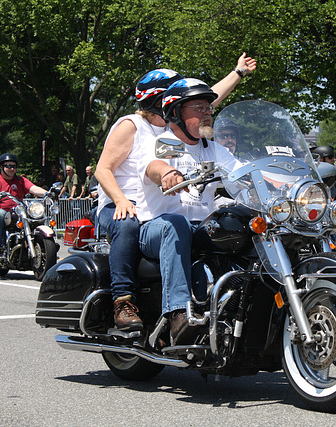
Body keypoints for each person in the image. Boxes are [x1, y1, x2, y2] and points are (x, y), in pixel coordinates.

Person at [95, 53, 256, 332]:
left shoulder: (193, 136)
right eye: (173, 94)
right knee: (129, 224)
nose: (207, 111)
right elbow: (113, 168)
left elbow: (205, 102)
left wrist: (238, 72)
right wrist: (129, 195)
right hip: (128, 203)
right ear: (163, 101)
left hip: (172, 207)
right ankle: (128, 300)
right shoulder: (139, 128)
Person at [139, 78, 240, 345]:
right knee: (177, 225)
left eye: (208, 107)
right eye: (199, 108)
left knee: (242, 225)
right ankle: (177, 313)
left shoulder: (215, 149)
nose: (207, 113)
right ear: (176, 114)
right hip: (156, 227)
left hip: (201, 226)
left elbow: (244, 174)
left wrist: (288, 183)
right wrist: (168, 172)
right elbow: (153, 165)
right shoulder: (163, 142)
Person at [0, 153, 47, 258]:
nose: (11, 168)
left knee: (36, 217)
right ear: (1, 167)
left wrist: (47, 193)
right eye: (8, 166)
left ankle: (43, 244)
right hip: (0, 211)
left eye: (14, 166)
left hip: (18, 211)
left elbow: (33, 188)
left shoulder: (21, 180)